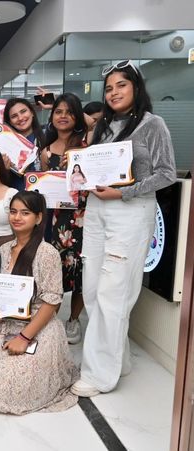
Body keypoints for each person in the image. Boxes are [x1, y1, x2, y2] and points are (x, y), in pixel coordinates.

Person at [71, 60, 176, 397]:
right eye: (109, 87)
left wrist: (125, 191)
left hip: (130, 212)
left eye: (121, 85)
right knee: (92, 289)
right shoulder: (102, 126)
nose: (113, 92)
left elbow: (166, 174)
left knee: (113, 294)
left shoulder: (152, 124)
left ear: (136, 88)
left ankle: (100, 375)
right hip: (98, 212)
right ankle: (119, 360)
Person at [0, 191, 79, 415]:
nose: (17, 217)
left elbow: (52, 303)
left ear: (38, 217)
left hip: (38, 325)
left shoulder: (47, 253)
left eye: (25, 213)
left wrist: (25, 337)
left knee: (14, 384)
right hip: (6, 322)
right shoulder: (4, 250)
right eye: (13, 212)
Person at [40, 93, 88, 345]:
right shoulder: (46, 151)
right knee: (56, 268)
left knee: (81, 268)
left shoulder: (87, 143)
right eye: (58, 111)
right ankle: (52, 318)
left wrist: (80, 156)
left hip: (83, 217)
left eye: (69, 112)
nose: (63, 116)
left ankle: (74, 319)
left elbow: (96, 122)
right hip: (55, 218)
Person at [2, 98, 47, 190]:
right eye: (14, 116)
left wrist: (51, 106)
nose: (20, 118)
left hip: (41, 198)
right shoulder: (4, 144)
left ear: (32, 113)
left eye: (23, 111)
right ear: (10, 122)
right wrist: (4, 170)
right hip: (15, 197)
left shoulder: (47, 138)